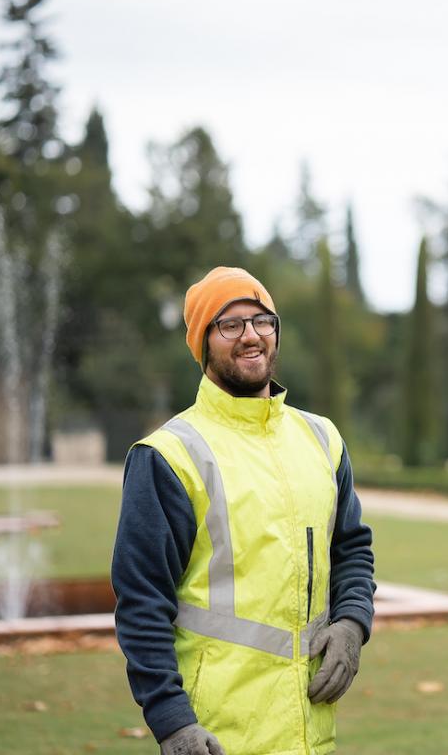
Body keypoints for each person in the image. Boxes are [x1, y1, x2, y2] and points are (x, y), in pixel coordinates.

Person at [112, 266, 375, 755]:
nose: (251, 336)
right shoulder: (168, 455)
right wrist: (171, 721)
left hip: (310, 733)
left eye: (263, 321)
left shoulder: (322, 439)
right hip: (216, 734)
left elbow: (353, 548)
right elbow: (141, 601)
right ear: (202, 342)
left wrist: (353, 622)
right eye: (229, 325)